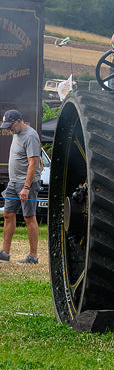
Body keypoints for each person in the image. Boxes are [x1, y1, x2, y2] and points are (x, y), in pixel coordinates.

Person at [0, 110, 42, 264]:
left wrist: (26, 187)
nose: (8, 129)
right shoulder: (16, 133)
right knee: (8, 214)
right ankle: (4, 253)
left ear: (18, 121)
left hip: (26, 184)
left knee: (29, 217)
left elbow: (33, 163)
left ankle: (33, 256)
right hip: (13, 182)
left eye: (10, 125)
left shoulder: (30, 136)